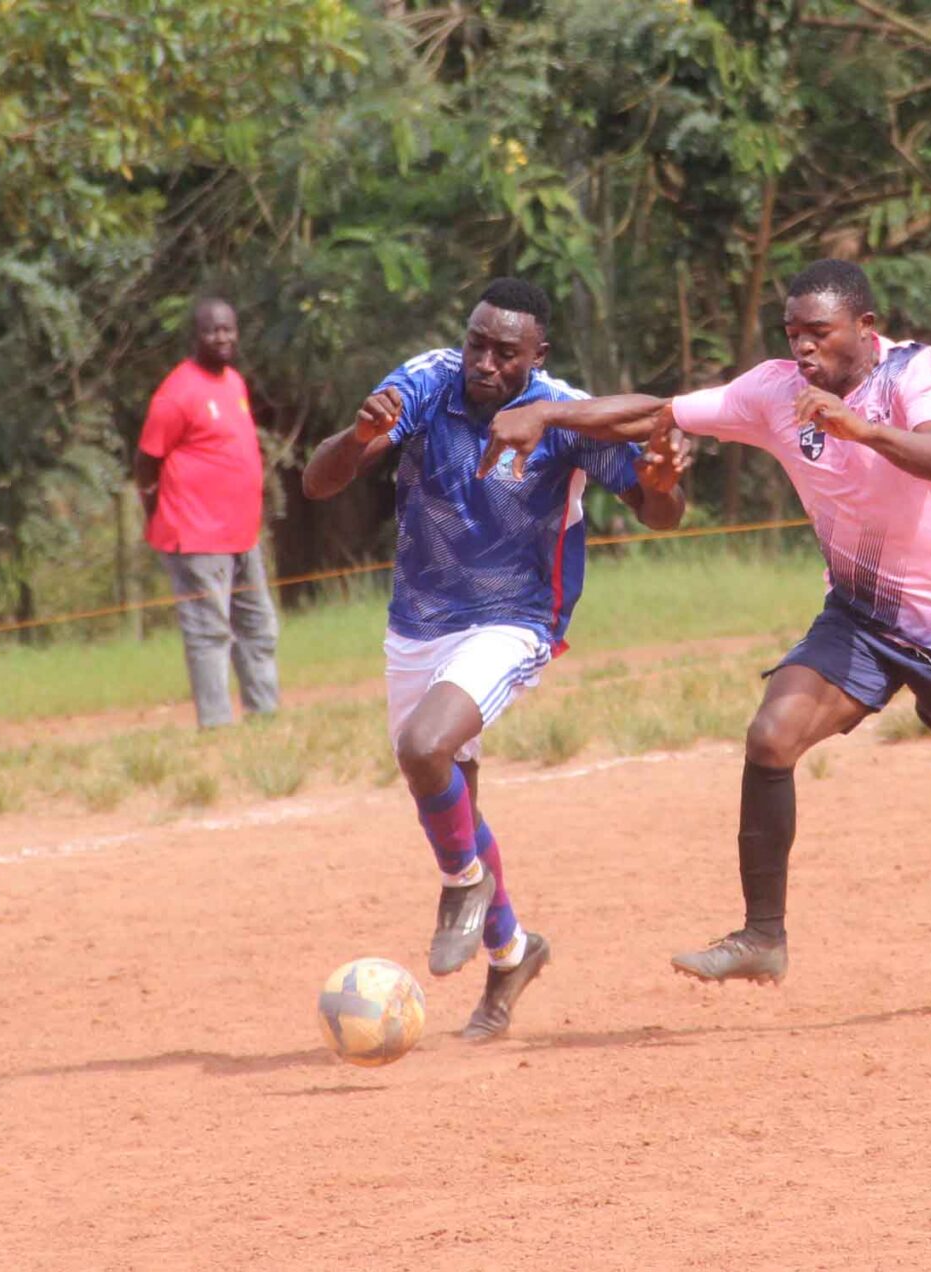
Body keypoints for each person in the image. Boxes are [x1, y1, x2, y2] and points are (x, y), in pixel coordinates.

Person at [484, 259, 931, 985]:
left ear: (865, 329)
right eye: (792, 333)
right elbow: (660, 412)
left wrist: (863, 429)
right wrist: (548, 414)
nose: (803, 347)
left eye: (819, 332)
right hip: (861, 619)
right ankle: (762, 936)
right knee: (771, 736)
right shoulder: (775, 391)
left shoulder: (909, 372)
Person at [300, 278, 687, 1040]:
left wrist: (661, 482)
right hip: (417, 622)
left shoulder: (564, 414)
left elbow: (660, 507)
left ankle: (461, 887)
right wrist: (356, 437)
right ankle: (512, 953)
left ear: (538, 356)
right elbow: (319, 481)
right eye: (476, 343)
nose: (484, 362)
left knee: (424, 746)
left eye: (506, 353)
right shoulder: (426, 381)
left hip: (516, 620)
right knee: (448, 795)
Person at [137, 298, 281, 729]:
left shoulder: (234, 383)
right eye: (212, 330)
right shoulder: (176, 393)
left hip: (242, 534)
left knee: (259, 627)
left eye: (228, 329)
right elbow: (146, 463)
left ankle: (264, 717)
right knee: (210, 632)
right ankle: (216, 725)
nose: (222, 338)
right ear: (195, 337)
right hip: (196, 535)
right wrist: (159, 512)